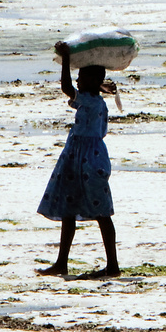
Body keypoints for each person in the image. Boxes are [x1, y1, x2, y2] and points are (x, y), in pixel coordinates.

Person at [36, 42, 121, 278]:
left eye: (81, 77)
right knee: (71, 208)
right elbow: (86, 90)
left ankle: (111, 266)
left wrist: (65, 59)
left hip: (85, 159)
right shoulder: (96, 99)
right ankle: (62, 263)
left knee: (98, 212)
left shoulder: (90, 100)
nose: (77, 81)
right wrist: (101, 86)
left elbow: (66, 87)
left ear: (91, 82)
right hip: (83, 156)